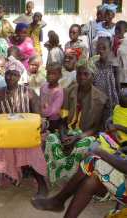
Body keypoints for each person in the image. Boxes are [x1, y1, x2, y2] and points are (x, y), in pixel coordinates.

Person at [0, 57, 48, 197]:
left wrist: (38, 127)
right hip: (6, 135)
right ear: (4, 74)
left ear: (19, 76)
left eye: (14, 74)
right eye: (8, 73)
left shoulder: (28, 93)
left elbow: (37, 117)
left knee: (30, 152)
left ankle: (42, 185)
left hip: (26, 135)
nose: (10, 77)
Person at [44, 56, 108, 184]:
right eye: (79, 74)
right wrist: (62, 136)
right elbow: (63, 119)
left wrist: (77, 138)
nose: (82, 77)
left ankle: (74, 180)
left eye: (86, 74)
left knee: (82, 146)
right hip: (68, 132)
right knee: (51, 139)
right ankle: (58, 177)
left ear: (93, 76)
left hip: (86, 134)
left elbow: (96, 128)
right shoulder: (69, 91)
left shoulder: (100, 99)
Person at [93, 37, 119, 119]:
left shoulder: (114, 66)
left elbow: (117, 86)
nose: (101, 51)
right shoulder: (93, 65)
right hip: (97, 101)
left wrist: (117, 103)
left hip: (111, 101)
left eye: (104, 48)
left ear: (110, 48)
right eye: (99, 48)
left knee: (109, 122)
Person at [40, 62, 64, 132]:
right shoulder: (43, 87)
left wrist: (42, 113)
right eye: (48, 73)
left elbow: (54, 110)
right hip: (42, 117)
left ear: (60, 75)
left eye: (53, 74)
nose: (50, 76)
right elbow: (40, 101)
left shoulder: (59, 91)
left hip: (53, 121)